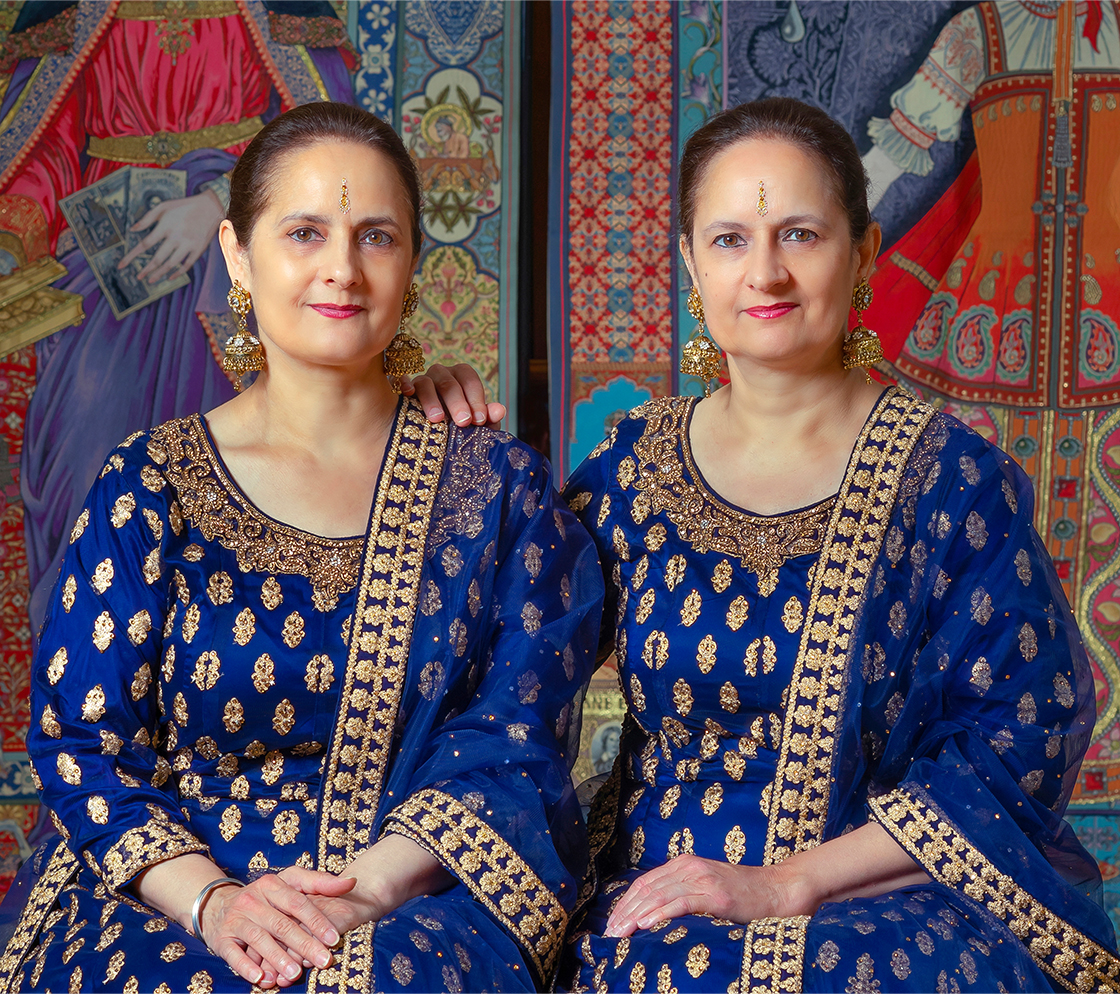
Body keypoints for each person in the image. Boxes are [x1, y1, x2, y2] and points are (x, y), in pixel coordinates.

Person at [418, 97, 1120, 992]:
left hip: (879, 906)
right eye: (729, 240)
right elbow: (487, 652)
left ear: (863, 253)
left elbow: (1023, 739)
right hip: (656, 903)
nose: (765, 274)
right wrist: (426, 434)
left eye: (799, 235)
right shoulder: (634, 467)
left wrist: (785, 886)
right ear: (689, 262)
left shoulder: (952, 482)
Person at [0, 102, 602, 994]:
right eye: (305, 232)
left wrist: (362, 896)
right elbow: (83, 742)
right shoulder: (150, 486)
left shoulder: (495, 489)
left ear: (413, 261)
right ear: (238, 253)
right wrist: (215, 904)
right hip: (172, 904)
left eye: (377, 237)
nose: (342, 270)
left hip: (409, 904)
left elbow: (514, 735)